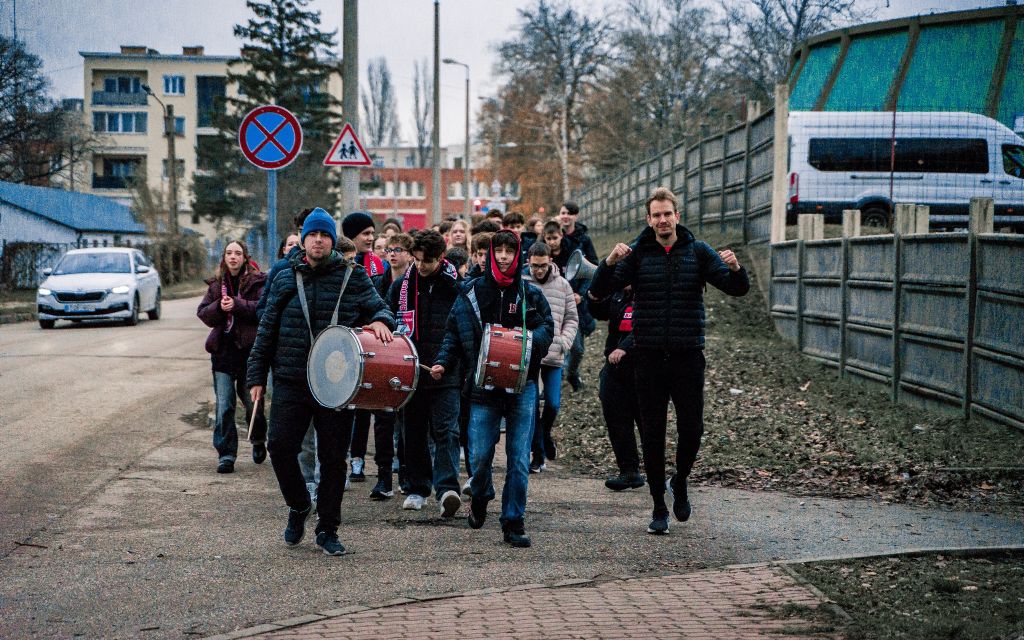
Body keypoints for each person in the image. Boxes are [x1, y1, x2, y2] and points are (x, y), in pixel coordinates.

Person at [589, 187, 749, 535]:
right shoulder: (637, 255)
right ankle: (659, 505)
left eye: (667, 214)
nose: (662, 220)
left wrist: (736, 269)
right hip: (647, 358)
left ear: (677, 216)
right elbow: (598, 292)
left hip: (687, 356)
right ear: (649, 220)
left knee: (692, 429)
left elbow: (737, 288)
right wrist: (609, 262)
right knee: (653, 433)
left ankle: (681, 479)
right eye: (656, 215)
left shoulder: (698, 251)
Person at [247, 208, 395, 555]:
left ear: (332, 240)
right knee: (280, 447)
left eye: (324, 235)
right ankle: (299, 505)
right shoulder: (284, 276)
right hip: (291, 378)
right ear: (303, 239)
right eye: (312, 234)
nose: (318, 240)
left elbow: (381, 308)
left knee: (332, 459)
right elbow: (266, 329)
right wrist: (256, 376)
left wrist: (381, 321)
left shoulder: (353, 276)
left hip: (337, 383)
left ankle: (328, 528)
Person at [431, 230, 554, 548]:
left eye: (509, 251)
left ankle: (513, 521)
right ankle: (482, 493)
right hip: (482, 388)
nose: (502, 256)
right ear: (489, 253)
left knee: (519, 458)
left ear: (518, 255)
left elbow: (547, 327)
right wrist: (443, 362)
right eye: (497, 250)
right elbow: (453, 332)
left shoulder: (528, 294)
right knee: (479, 456)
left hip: (522, 386)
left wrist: (527, 343)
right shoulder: (471, 292)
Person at [388, 230, 464, 516]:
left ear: (441, 258)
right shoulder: (402, 287)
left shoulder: (455, 287)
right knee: (414, 432)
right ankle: (418, 488)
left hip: (447, 373)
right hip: (413, 371)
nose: (420, 266)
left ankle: (447, 489)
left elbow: (463, 329)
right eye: (417, 260)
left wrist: (450, 362)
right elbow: (388, 318)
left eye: (427, 261)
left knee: (447, 431)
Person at [197, 240, 268, 474]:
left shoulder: (258, 281)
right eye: (229, 253)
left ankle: (258, 438)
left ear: (245, 257)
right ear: (224, 257)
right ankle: (226, 455)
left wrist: (236, 305)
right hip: (223, 353)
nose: (233, 257)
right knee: (224, 405)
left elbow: (262, 310)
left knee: (252, 403)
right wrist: (219, 306)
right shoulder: (217, 285)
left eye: (238, 253)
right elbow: (203, 313)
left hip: (249, 353)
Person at [341, 211, 391, 484]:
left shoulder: (378, 266)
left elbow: (380, 303)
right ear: (352, 237)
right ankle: (351, 459)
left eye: (373, 233)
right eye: (366, 234)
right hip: (346, 342)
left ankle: (372, 466)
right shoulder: (341, 264)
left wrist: (380, 320)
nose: (371, 238)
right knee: (348, 408)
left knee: (371, 405)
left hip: (371, 341)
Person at [522, 242, 577, 473]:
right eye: (535, 266)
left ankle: (545, 434)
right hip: (529, 354)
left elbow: (572, 318)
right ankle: (538, 454)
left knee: (553, 404)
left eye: (543, 266)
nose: (539, 270)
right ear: (529, 263)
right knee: (532, 407)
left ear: (550, 262)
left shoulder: (563, 285)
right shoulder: (522, 283)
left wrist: (564, 341)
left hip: (554, 353)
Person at [588, 285, 645, 491]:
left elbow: (647, 325)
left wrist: (624, 347)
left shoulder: (650, 293)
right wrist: (593, 296)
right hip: (614, 368)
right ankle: (629, 471)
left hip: (643, 369)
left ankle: (656, 470)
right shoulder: (618, 295)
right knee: (617, 420)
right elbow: (599, 312)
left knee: (647, 423)